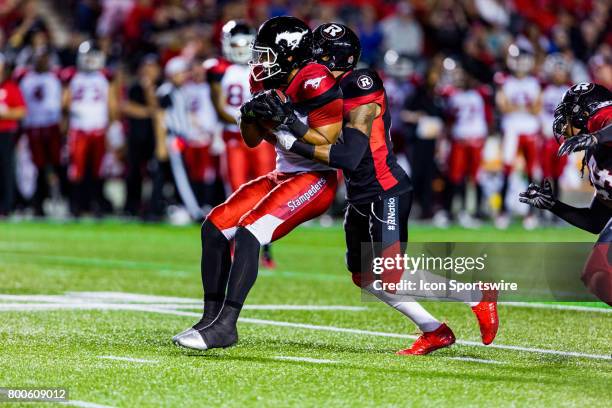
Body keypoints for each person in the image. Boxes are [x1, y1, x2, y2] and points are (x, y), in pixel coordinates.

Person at [271, 23, 499, 354]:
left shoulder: (361, 85)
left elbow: (348, 155)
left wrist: (290, 134)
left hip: (385, 191)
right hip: (359, 196)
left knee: (392, 276)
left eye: (314, 56)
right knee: (363, 278)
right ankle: (434, 331)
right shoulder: (323, 91)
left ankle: (477, 293)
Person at [173, 16, 342, 351]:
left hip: (315, 178)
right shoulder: (261, 77)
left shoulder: (315, 81)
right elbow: (251, 140)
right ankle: (209, 318)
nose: (258, 62)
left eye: (266, 54)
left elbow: (330, 145)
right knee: (215, 226)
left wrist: (289, 121)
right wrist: (250, 115)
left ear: (290, 55)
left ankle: (226, 327)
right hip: (283, 174)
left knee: (250, 231)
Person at [520, 82, 612, 306]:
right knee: (596, 276)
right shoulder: (595, 149)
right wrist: (554, 205)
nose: (562, 125)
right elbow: (596, 221)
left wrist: (595, 137)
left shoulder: (601, 117)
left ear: (582, 113)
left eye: (568, 114)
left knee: (598, 271)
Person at [206, 20, 277, 267]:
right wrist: (244, 119)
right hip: (234, 136)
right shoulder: (217, 68)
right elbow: (218, 106)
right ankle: (237, 243)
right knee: (238, 191)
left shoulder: (264, 66)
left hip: (262, 137)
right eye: (235, 44)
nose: (240, 49)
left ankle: (266, 247)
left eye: (245, 44)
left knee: (269, 191)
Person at [62, 40, 117, 216]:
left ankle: (93, 204)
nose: (90, 60)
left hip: (98, 128)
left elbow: (112, 105)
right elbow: (65, 104)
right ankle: (77, 205)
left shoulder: (104, 77)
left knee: (96, 169)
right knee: (78, 169)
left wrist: (112, 128)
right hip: (79, 129)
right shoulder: (72, 76)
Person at [495, 44, 542, 229]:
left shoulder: (534, 82)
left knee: (531, 172)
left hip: (529, 131)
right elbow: (503, 107)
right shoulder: (506, 81)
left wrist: (518, 108)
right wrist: (525, 108)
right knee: (506, 172)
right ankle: (502, 212)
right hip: (512, 130)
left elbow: (537, 109)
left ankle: (531, 213)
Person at [440, 61, 490, 226]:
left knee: (475, 178)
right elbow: (449, 118)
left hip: (476, 140)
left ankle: (475, 212)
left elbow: (488, 117)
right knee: (455, 177)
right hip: (459, 139)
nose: (460, 79)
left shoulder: (479, 93)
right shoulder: (453, 95)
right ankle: (454, 211)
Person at [18, 49, 62, 215]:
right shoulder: (27, 80)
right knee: (36, 166)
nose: (42, 62)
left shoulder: (53, 79)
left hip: (51, 126)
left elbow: (56, 104)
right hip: (33, 126)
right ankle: (36, 203)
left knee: (54, 165)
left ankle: (52, 199)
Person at [122, 54, 160, 217]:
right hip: (136, 138)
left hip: (154, 139)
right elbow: (126, 107)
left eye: (151, 66)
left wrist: (149, 90)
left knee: (155, 175)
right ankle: (131, 206)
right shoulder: (134, 87)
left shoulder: (161, 87)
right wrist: (148, 112)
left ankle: (152, 208)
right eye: (146, 66)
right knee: (133, 173)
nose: (148, 70)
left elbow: (157, 108)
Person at [0, 53, 26, 217]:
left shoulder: (10, 87)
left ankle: (6, 206)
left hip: (5, 134)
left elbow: (22, 111)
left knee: (6, 170)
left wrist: (5, 114)